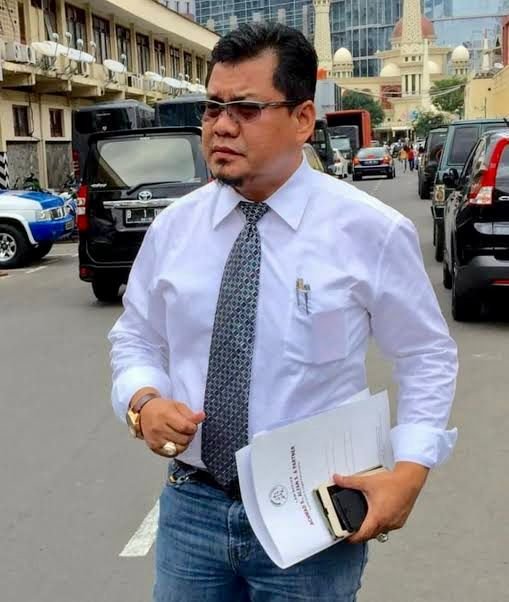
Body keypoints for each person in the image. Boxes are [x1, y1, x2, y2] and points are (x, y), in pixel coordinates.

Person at [109, 22, 458, 602]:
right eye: (213, 107)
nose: (222, 125)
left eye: (246, 109)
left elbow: (425, 354)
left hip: (312, 515)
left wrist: (411, 469)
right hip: (192, 506)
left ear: (302, 119)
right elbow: (136, 337)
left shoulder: (369, 231)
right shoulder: (174, 229)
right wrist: (143, 402)